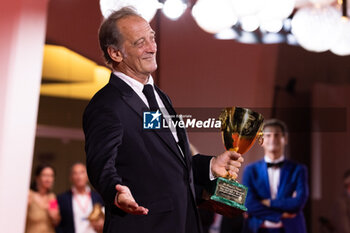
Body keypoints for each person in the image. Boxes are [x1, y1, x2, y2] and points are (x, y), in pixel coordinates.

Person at [83, 7, 244, 233]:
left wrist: (210, 165)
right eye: (140, 42)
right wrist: (116, 193)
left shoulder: (160, 97)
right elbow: (100, 166)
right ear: (116, 53)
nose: (152, 47)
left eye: (152, 38)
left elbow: (171, 161)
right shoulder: (106, 104)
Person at [242, 119, 309, 233]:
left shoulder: (298, 169)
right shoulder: (250, 170)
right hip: (258, 229)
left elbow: (298, 202)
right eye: (268, 135)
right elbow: (249, 203)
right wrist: (280, 214)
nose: (273, 139)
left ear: (285, 139)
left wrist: (267, 202)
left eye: (277, 135)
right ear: (261, 141)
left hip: (291, 229)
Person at [56, 163, 104, 233]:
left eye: (82, 172)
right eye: (75, 173)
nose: (79, 177)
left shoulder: (98, 197)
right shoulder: (62, 199)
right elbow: (57, 223)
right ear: (71, 177)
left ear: (87, 176)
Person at [25, 164, 60, 233]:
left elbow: (55, 222)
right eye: (45, 175)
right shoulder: (29, 194)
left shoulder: (52, 197)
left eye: (51, 176)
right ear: (37, 178)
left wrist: (54, 217)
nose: (48, 179)